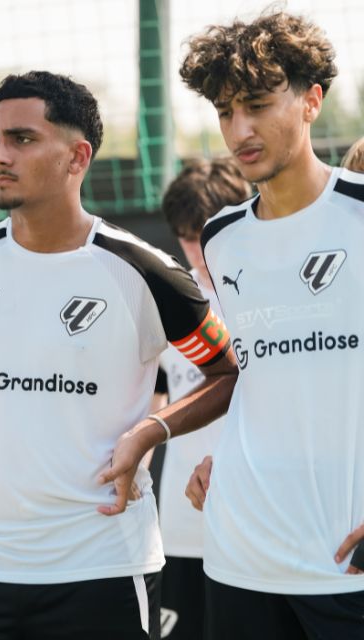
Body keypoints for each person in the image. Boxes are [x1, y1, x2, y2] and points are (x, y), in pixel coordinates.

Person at [0, 70, 237, 640]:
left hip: (105, 564)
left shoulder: (144, 270)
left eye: (23, 139)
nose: (0, 156)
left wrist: (150, 431)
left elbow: (225, 373)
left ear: (77, 157)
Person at [177, 10, 364, 639]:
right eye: (226, 111)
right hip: (240, 552)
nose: (239, 129)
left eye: (257, 104)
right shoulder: (221, 237)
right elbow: (256, 377)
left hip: (345, 560)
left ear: (312, 101)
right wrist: (217, 459)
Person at [154, 158, 251, 639]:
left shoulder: (263, 295)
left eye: (204, 231)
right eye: (185, 234)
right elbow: (152, 404)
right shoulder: (169, 298)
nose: (196, 248)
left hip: (250, 518)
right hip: (178, 518)